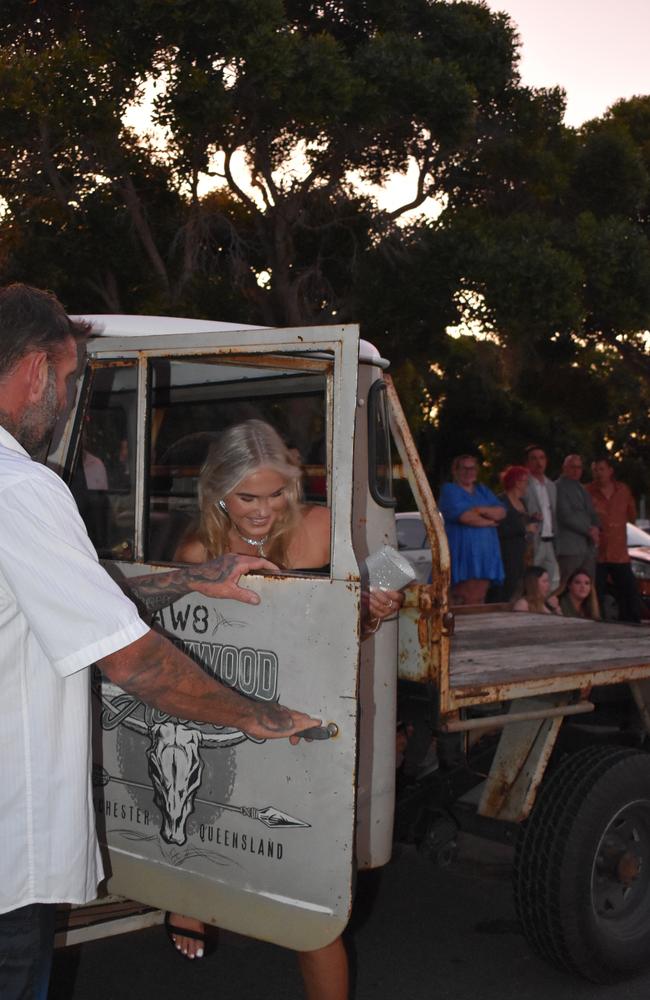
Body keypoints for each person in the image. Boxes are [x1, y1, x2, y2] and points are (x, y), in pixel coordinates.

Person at [0, 284, 319, 1000]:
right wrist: (258, 716)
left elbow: (48, 604)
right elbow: (133, 660)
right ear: (36, 370)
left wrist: (191, 578)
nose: (66, 397)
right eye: (72, 377)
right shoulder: (20, 488)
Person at [166, 419, 402, 1000]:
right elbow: (181, 643)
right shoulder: (199, 547)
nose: (264, 510)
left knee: (310, 896)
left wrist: (373, 608)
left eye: (277, 494)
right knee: (206, 807)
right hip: (232, 705)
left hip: (310, 710)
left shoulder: (320, 529)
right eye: (248, 496)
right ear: (218, 491)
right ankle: (187, 896)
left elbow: (347, 631)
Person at [438, 454, 505, 605]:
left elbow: (501, 512)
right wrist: (489, 521)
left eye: (472, 468)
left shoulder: (482, 490)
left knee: (480, 596)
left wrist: (478, 509)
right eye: (464, 468)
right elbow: (464, 517)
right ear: (455, 471)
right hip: (462, 552)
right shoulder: (450, 490)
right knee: (463, 596)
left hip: (486, 554)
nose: (469, 472)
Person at [586, 456, 641, 623]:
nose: (598, 473)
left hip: (619, 552)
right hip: (597, 553)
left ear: (610, 471)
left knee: (629, 590)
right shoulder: (587, 491)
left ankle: (631, 622)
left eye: (601, 469)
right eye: (595, 470)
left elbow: (632, 516)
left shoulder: (623, 490)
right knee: (597, 591)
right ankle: (597, 623)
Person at [555, 454, 600, 583]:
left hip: (587, 548)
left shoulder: (582, 489)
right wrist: (589, 529)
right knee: (566, 585)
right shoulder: (558, 487)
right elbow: (565, 515)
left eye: (579, 467)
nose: (576, 471)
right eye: (572, 467)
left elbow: (592, 513)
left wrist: (597, 527)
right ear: (564, 468)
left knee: (588, 588)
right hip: (569, 548)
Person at [496, 465, 537, 601]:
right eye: (526, 481)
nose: (527, 485)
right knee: (508, 586)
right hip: (507, 552)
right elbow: (500, 528)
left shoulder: (522, 502)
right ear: (517, 482)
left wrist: (532, 519)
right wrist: (525, 529)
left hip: (522, 553)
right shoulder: (501, 501)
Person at [523, 445, 560, 591]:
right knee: (531, 581)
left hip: (549, 540)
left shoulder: (551, 485)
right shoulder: (525, 484)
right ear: (527, 463)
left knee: (549, 583)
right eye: (534, 458)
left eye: (542, 458)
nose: (539, 462)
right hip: (533, 541)